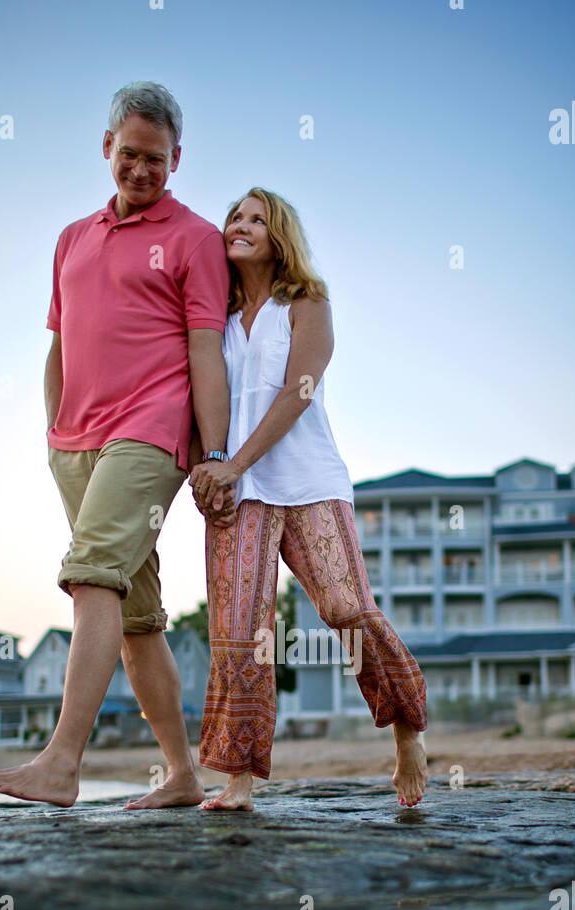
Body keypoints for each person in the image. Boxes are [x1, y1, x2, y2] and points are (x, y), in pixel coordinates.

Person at [0, 81, 234, 808]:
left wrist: (214, 454)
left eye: (156, 158)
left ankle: (60, 764)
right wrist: (56, 431)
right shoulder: (71, 239)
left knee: (89, 578)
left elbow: (205, 349)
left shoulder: (196, 238)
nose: (141, 170)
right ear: (106, 148)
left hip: (151, 431)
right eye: (129, 155)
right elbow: (58, 342)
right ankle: (182, 775)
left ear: (177, 159)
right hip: (75, 442)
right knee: (135, 618)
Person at [190, 189, 428, 810]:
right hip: (235, 493)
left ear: (280, 236)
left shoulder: (307, 302)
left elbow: (299, 392)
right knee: (240, 631)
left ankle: (407, 727)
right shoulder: (212, 313)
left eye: (255, 219)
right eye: (234, 218)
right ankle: (237, 779)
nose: (239, 226)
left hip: (308, 481)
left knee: (346, 608)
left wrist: (236, 462)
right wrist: (211, 467)